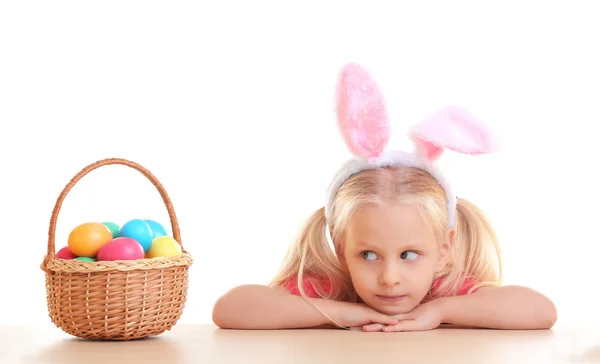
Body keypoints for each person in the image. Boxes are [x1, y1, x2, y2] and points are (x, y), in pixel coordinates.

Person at [212, 63, 557, 332]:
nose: (389, 277)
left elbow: (541, 311)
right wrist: (346, 313)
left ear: (444, 250)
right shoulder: (335, 286)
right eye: (367, 254)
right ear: (339, 247)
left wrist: (438, 311)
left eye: (409, 254)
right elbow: (230, 309)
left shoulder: (445, 289)